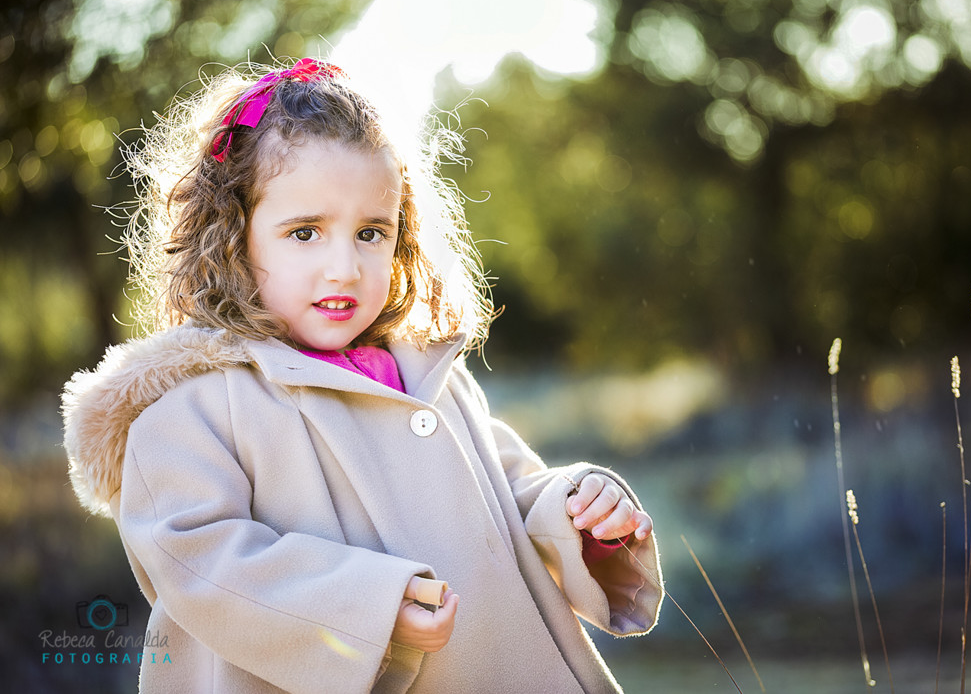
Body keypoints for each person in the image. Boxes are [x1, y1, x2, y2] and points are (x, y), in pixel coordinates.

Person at [61, 58, 662, 693]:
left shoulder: (429, 377)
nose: (344, 267)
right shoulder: (194, 406)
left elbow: (511, 497)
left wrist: (582, 513)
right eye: (305, 233)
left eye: (371, 232)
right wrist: (367, 612)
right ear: (234, 238)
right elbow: (198, 560)